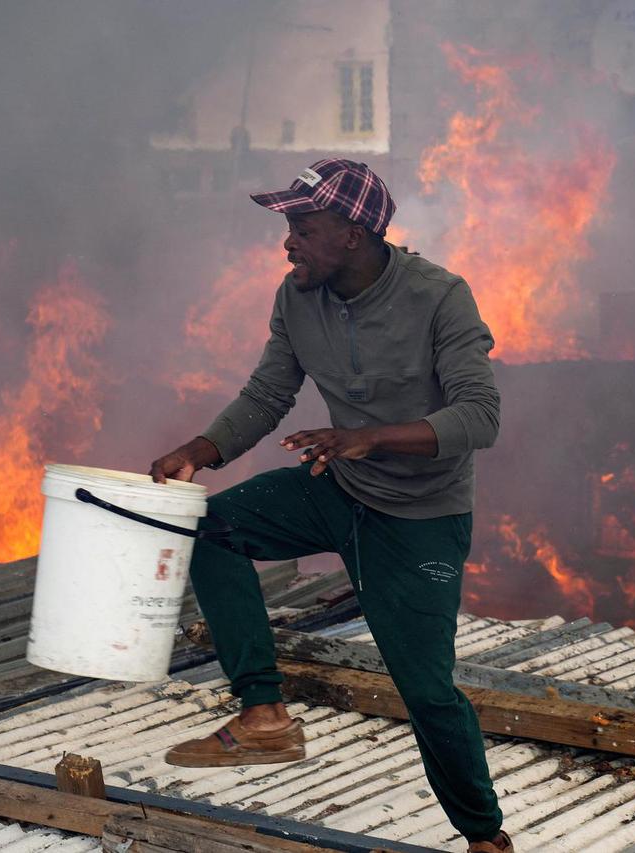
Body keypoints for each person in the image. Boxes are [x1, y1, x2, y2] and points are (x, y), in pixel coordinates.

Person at [148, 158, 513, 853]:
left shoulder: (440, 297)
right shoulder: (296, 298)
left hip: (419, 519)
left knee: (428, 692)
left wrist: (367, 437)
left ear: (352, 232)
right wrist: (200, 449)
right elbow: (266, 396)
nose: (289, 243)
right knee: (211, 526)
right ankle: (264, 714)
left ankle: (485, 839)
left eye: (303, 228)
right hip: (338, 491)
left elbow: (480, 416)